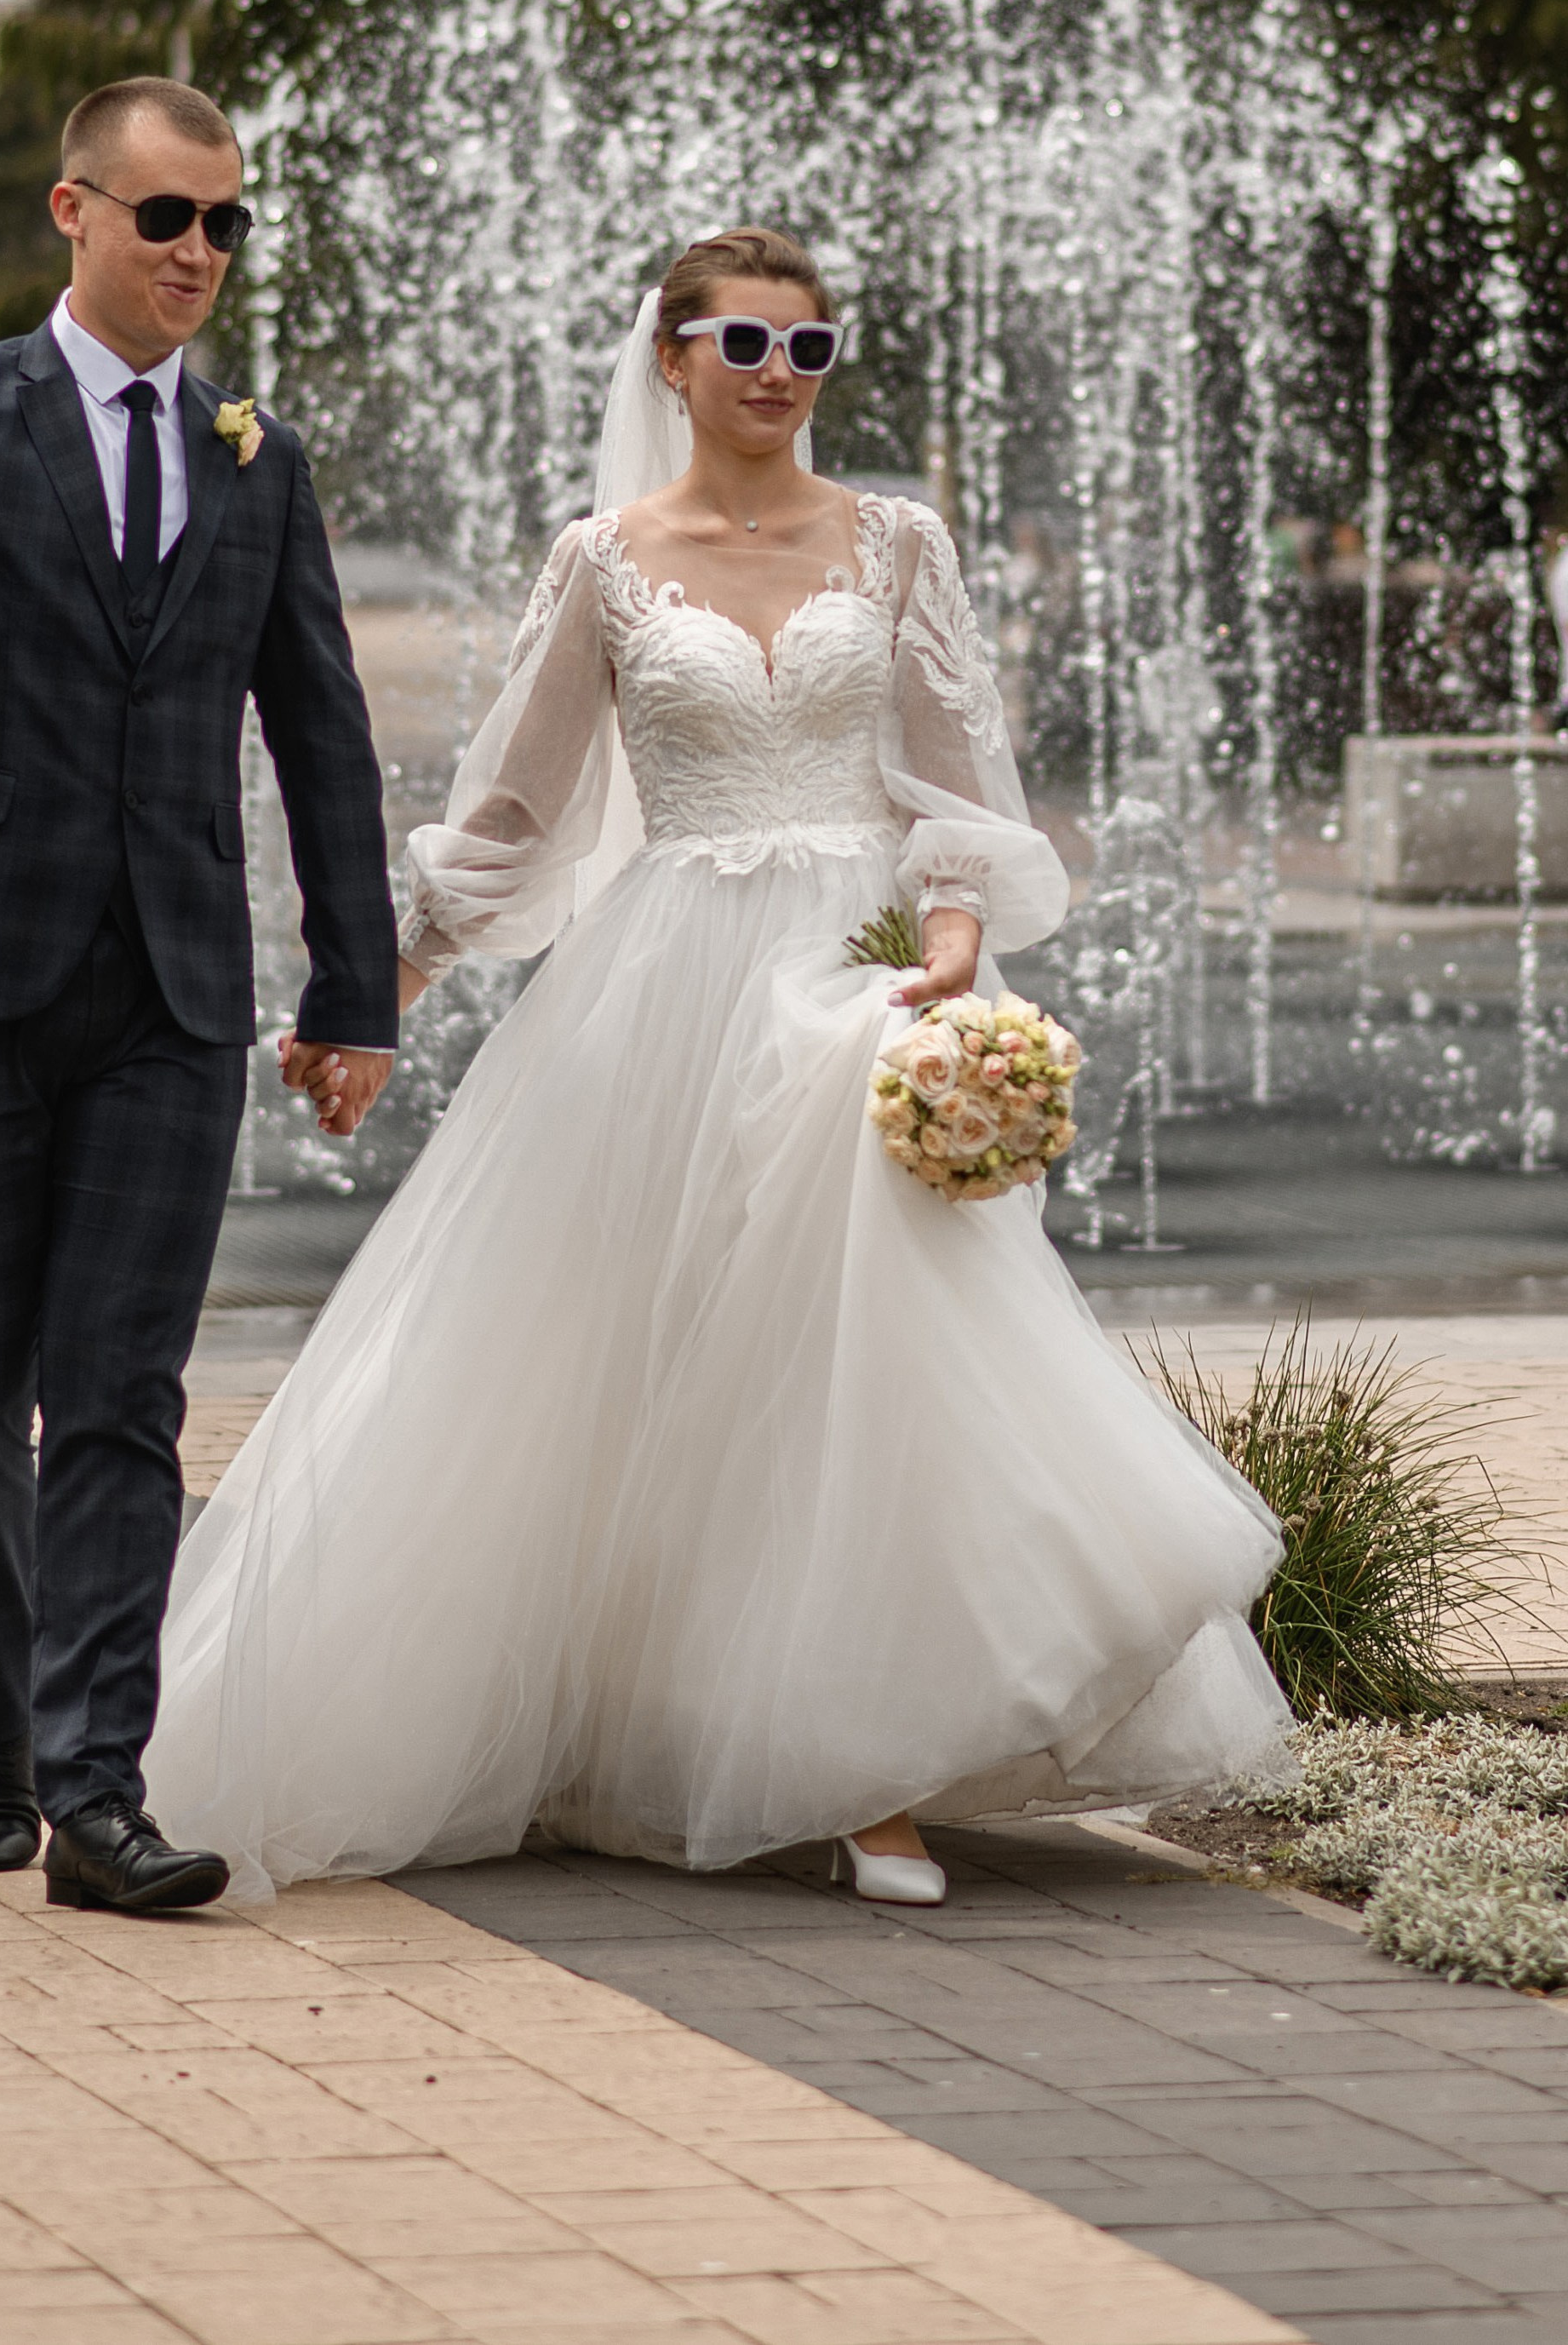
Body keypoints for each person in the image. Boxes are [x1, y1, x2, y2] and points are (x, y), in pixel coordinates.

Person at [143, 226, 1293, 1904]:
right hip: (662, 983)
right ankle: (648, 1723)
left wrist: (956, 941)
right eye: (740, 341)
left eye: (805, 349)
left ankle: (866, 1759)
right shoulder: (603, 559)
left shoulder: (897, 543)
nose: (772, 373)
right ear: (671, 358)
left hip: (853, 983)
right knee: (642, 1359)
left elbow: (956, 778)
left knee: (869, 1358)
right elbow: (517, 807)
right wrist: (381, 988)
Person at [0, 77, 398, 1917]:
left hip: (172, 990)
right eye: (166, 217)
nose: (199, 254)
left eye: (227, 224)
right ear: (75, 213)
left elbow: (321, 736)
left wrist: (356, 992)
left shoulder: (258, 457)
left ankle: (98, 1794)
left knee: (124, 1395)